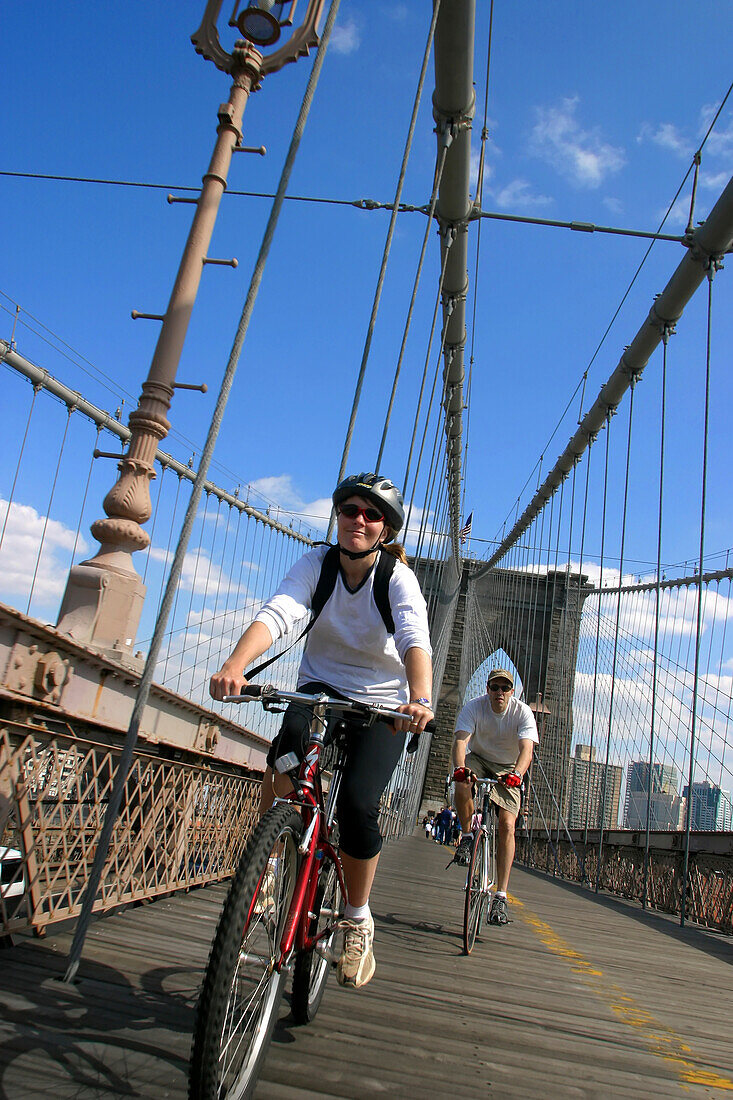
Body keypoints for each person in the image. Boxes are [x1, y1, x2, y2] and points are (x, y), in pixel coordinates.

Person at [210, 472, 433, 989]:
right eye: (351, 509)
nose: (359, 519)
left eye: (372, 514)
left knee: (357, 803)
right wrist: (235, 665)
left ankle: (357, 917)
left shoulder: (397, 579)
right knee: (285, 759)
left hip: (381, 704)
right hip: (319, 691)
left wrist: (419, 700)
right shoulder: (317, 564)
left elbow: (414, 639)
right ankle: (268, 870)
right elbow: (281, 613)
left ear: (386, 529)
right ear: (338, 515)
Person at [451, 668, 538, 924]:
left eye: (505, 688)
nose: (499, 692)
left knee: (507, 825)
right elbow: (460, 743)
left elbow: (527, 751)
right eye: (494, 687)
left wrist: (518, 774)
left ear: (512, 691)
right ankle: (467, 837)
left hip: (508, 768)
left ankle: (500, 896)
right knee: (462, 783)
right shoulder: (473, 707)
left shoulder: (523, 713)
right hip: (478, 759)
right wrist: (459, 769)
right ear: (487, 689)